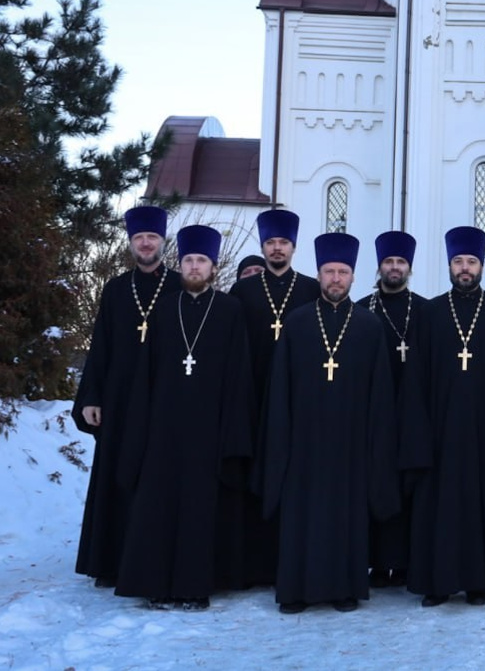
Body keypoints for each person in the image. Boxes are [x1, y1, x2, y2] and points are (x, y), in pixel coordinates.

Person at [114, 225, 254, 611]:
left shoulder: (229, 309)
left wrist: (232, 431)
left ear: (213, 266)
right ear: (181, 265)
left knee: (200, 509)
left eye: (201, 261)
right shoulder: (163, 309)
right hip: (164, 426)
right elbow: (147, 372)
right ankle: (156, 584)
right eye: (189, 260)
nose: (194, 267)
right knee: (159, 505)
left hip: (209, 428)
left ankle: (196, 586)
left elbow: (239, 374)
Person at [259, 232, 399, 614]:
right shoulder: (298, 322)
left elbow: (381, 394)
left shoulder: (370, 327)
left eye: (343, 272)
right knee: (302, 517)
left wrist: (375, 444)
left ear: (354, 277)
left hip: (351, 442)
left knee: (346, 517)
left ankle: (344, 590)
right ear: (318, 275)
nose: (335, 278)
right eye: (328, 271)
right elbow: (280, 389)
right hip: (303, 441)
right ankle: (295, 591)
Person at [401, 226, 485, 607]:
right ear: (450, 265)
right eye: (458, 261)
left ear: (481, 265)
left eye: (471, 261)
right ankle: (436, 584)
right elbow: (414, 380)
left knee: (480, 504)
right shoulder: (429, 313)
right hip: (439, 430)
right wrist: (419, 432)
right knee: (438, 507)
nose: (465, 268)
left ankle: (477, 582)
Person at [73, 205, 181, 588]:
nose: (146, 243)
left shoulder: (181, 286)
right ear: (131, 242)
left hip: (162, 400)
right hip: (118, 399)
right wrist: (91, 397)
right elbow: (99, 347)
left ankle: (149, 558)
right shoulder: (116, 289)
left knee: (155, 478)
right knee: (116, 477)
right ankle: (109, 560)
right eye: (140, 237)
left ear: (163, 242)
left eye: (152, 237)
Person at [229, 208, 320, 586]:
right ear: (263, 246)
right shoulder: (243, 290)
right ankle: (254, 564)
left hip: (299, 401)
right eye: (271, 242)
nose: (277, 248)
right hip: (253, 397)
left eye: (283, 242)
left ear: (293, 247)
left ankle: (292, 560)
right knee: (255, 479)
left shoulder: (311, 289)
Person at [356, 231, 428, 589]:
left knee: (410, 487)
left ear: (409, 269)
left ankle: (406, 561)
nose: (394, 268)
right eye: (389, 262)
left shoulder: (426, 311)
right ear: (380, 267)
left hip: (414, 414)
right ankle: (378, 562)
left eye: (400, 262)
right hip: (374, 414)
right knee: (379, 483)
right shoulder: (360, 310)